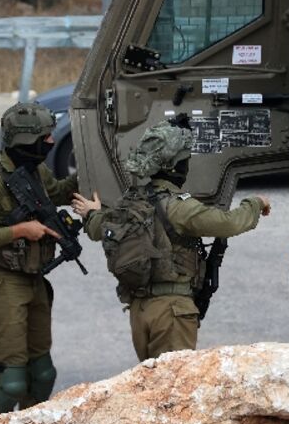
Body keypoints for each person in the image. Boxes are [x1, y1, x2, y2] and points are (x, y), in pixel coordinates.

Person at [72, 120, 270, 361]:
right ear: (173, 165)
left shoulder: (129, 202)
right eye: (184, 159)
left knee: (152, 386)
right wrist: (256, 203)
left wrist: (92, 212)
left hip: (139, 311)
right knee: (174, 392)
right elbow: (229, 223)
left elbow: (98, 229)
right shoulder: (178, 207)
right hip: (172, 313)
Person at [0, 102, 78, 420]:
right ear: (26, 141)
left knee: (42, 375)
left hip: (33, 279)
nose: (52, 143)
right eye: (45, 137)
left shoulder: (35, 171)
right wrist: (20, 230)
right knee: (11, 380)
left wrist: (89, 175)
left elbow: (56, 193)